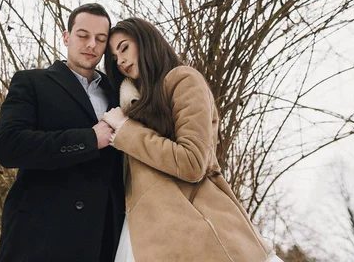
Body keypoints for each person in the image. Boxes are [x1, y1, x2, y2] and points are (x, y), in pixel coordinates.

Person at [102, 17, 279, 262]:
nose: (120, 60)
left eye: (124, 48)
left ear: (145, 42)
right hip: (143, 234)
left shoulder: (183, 80)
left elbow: (192, 161)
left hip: (195, 227)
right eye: (113, 57)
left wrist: (125, 130)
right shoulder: (131, 105)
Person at [0, 3, 125, 262]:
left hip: (101, 243)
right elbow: (7, 146)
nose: (91, 45)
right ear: (66, 37)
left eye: (100, 39)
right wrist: (88, 139)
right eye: (83, 35)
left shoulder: (119, 93)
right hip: (40, 240)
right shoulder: (32, 82)